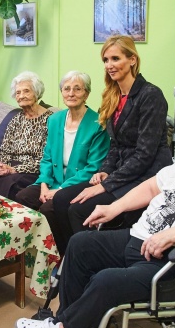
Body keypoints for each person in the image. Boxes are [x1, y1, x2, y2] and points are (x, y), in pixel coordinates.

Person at [15, 107, 175, 328]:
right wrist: (114, 207)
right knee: (81, 244)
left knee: (107, 281)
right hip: (139, 240)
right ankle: (66, 322)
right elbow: (151, 188)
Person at [52, 35, 172, 251]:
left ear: (132, 59)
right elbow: (115, 145)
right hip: (121, 172)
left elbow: (145, 154)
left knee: (78, 209)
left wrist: (107, 184)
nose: (109, 65)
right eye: (106, 60)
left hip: (147, 175)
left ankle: (90, 260)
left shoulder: (150, 95)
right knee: (60, 199)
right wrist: (105, 171)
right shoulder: (113, 95)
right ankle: (67, 259)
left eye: (115, 59)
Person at [15, 71, 109, 254]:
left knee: (48, 208)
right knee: (23, 197)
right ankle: (34, 253)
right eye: (67, 89)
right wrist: (43, 185)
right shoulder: (55, 120)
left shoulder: (98, 124)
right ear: (62, 92)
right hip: (53, 181)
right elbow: (47, 157)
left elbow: (93, 167)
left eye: (77, 89)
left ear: (87, 94)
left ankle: (61, 254)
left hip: (77, 184)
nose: (71, 93)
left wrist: (58, 190)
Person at [0, 71, 53, 201]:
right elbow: (5, 149)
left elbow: (46, 158)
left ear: (37, 93)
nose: (21, 96)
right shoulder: (16, 119)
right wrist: (3, 165)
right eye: (18, 93)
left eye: (26, 91)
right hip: (12, 166)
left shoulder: (51, 120)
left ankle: (14, 218)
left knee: (11, 183)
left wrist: (13, 169)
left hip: (34, 170)